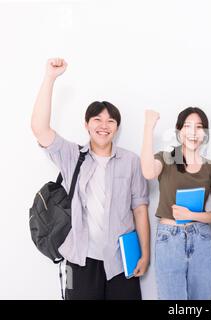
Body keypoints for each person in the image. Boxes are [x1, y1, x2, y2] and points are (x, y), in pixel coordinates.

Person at [31, 58, 150, 300]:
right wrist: (50, 78)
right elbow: (40, 129)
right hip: (80, 260)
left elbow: (139, 210)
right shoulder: (72, 155)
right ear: (87, 125)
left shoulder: (131, 161)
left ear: (117, 127)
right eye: (97, 119)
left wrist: (145, 254)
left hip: (121, 262)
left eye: (110, 121)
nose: (103, 126)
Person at [141, 108, 211, 299]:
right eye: (187, 126)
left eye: (199, 127)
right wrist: (148, 127)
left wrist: (191, 215)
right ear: (178, 131)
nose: (193, 132)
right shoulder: (166, 159)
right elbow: (148, 172)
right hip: (169, 239)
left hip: (201, 239)